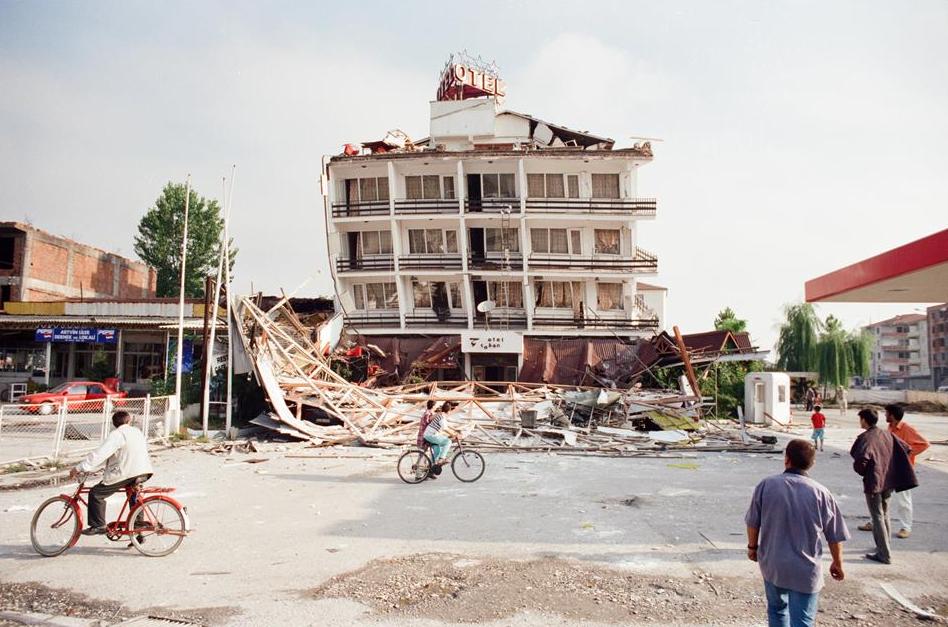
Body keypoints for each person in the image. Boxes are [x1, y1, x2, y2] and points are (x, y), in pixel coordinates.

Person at [745, 439, 849, 627]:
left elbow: (753, 522)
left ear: (787, 459)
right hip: (805, 570)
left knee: (776, 611)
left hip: (773, 565)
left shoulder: (766, 485)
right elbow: (834, 534)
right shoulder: (821, 493)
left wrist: (753, 548)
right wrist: (838, 562)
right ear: (812, 464)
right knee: (802, 621)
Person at [68, 411, 154, 535]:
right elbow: (122, 454)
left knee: (96, 493)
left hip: (127, 472)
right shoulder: (137, 432)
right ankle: (137, 526)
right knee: (133, 494)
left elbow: (100, 454)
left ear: (114, 424)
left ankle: (98, 525)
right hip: (144, 470)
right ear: (129, 421)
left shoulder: (117, 434)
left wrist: (79, 468)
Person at [850, 408, 917, 564]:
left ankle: (884, 554)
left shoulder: (866, 438)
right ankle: (885, 546)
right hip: (888, 480)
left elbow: (861, 460)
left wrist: (864, 471)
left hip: (874, 481)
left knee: (877, 516)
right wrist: (890, 464)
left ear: (864, 420)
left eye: (860, 419)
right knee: (884, 513)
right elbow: (907, 448)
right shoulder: (887, 434)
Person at [869, 404, 928, 539]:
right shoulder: (890, 428)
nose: (885, 416)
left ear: (893, 415)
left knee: (904, 500)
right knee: (881, 498)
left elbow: (924, 444)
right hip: (889, 468)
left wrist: (906, 454)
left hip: (903, 470)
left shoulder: (907, 429)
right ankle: (876, 523)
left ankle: (906, 527)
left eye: (887, 413)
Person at [424, 401, 458, 465]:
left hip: (429, 435)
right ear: (449, 411)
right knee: (448, 442)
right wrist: (454, 434)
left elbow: (447, 426)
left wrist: (455, 431)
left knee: (437, 451)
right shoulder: (441, 417)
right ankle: (441, 459)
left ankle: (431, 468)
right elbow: (445, 428)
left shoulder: (441, 416)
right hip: (430, 436)